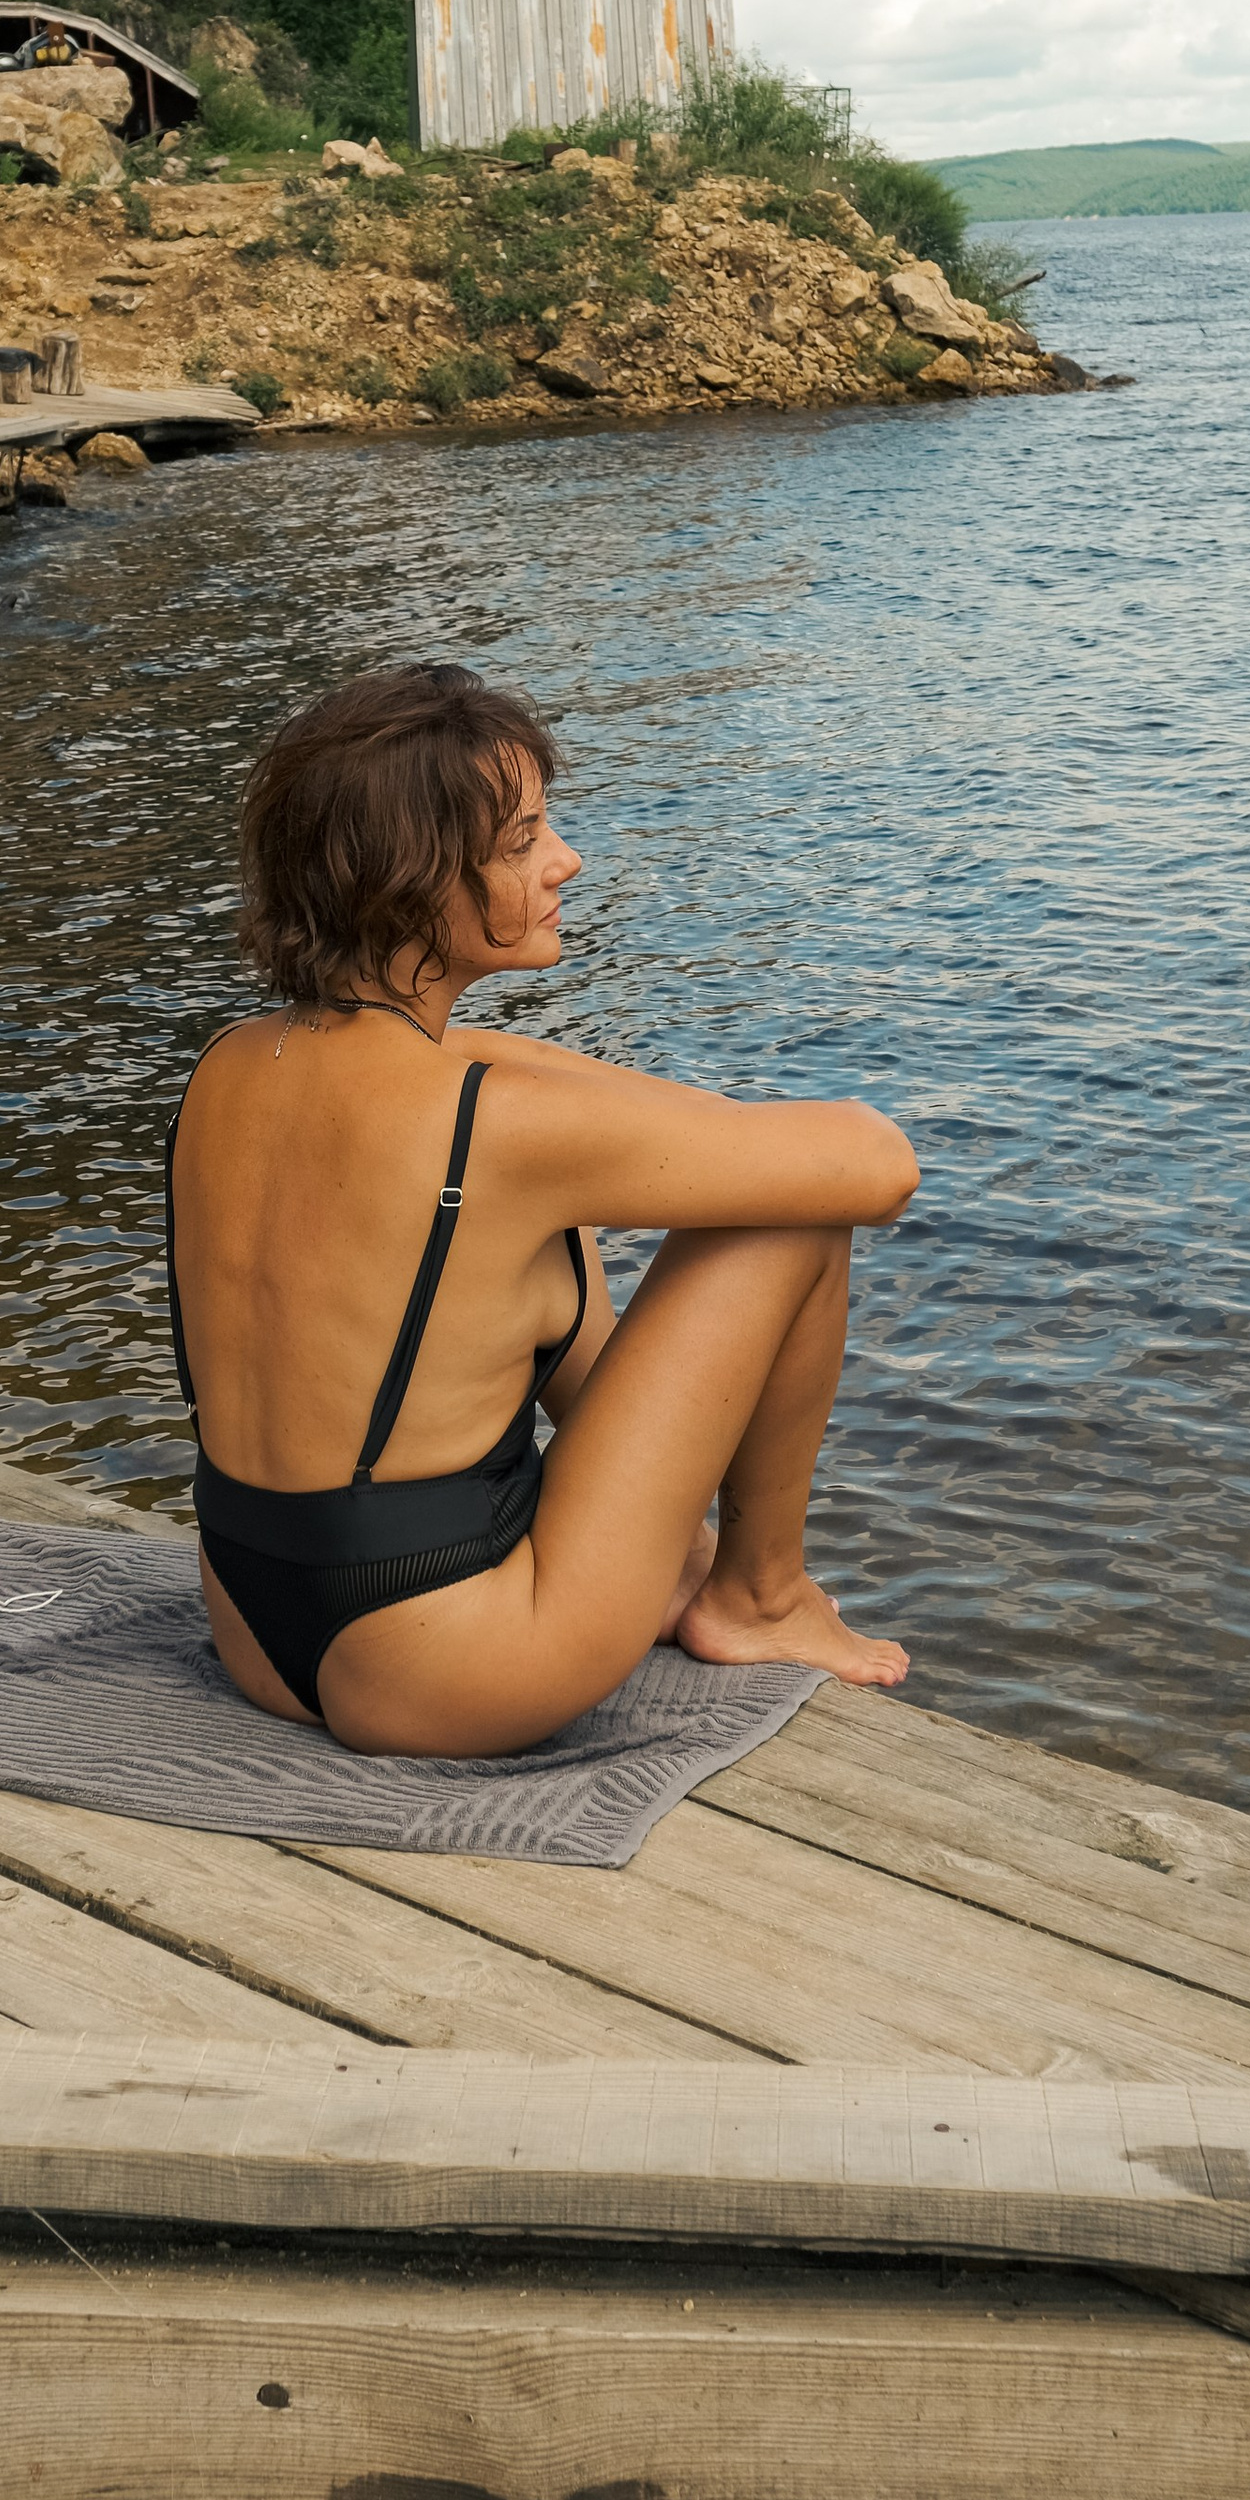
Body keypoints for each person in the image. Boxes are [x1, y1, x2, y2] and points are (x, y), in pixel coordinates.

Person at [168, 663, 919, 1757]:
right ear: (408, 881)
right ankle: (757, 1600)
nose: (564, 859)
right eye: (521, 843)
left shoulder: (231, 1066)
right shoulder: (491, 1114)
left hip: (256, 1633)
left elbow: (490, 1124)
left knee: (532, 1224)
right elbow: (878, 1164)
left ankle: (673, 1562)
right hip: (452, 1671)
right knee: (794, 1211)